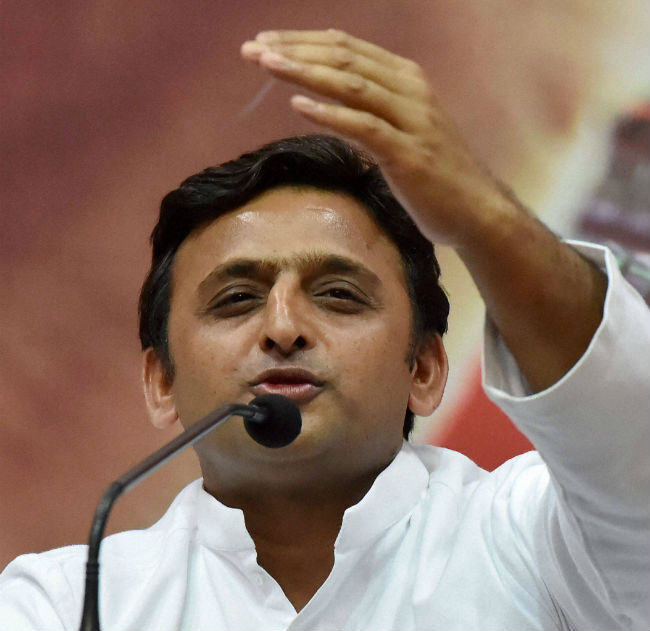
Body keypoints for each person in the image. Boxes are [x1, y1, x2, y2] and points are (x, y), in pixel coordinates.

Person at [1, 29, 649, 630]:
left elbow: (626, 445)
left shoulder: (536, 543)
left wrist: (485, 216)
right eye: (236, 300)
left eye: (339, 295)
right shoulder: (56, 603)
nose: (283, 328)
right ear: (160, 382)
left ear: (425, 368)